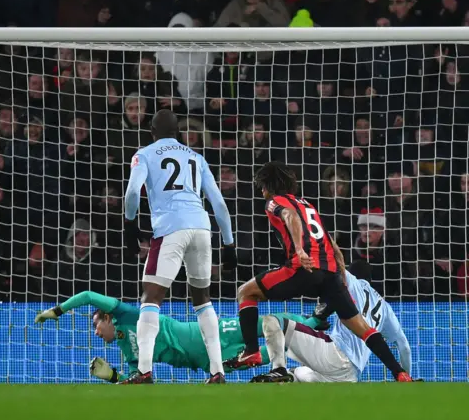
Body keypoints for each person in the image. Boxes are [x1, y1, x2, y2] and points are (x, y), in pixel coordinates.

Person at [225, 161, 413, 382]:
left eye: (262, 186)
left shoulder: (274, 202)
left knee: (246, 292)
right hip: (330, 270)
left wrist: (298, 250)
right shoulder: (307, 205)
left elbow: (290, 217)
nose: (262, 191)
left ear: (269, 185)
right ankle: (399, 373)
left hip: (303, 267)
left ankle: (252, 351)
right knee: (362, 327)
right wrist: (340, 273)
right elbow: (330, 242)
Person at [123, 109, 236, 384]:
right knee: (203, 300)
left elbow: (132, 191)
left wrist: (130, 226)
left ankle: (145, 370)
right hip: (202, 228)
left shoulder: (145, 154)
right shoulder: (197, 158)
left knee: (150, 298)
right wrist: (229, 243)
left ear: (151, 131)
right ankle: (217, 371)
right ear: (178, 133)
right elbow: (219, 203)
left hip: (170, 229)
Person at [34, 291, 328, 382]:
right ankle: (310, 347)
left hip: (203, 334)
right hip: (206, 361)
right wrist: (112, 376)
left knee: (264, 323)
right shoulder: (129, 353)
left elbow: (87, 295)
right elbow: (145, 383)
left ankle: (314, 320)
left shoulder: (129, 315)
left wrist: (57, 311)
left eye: (97, 325)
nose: (96, 333)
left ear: (108, 317)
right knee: (260, 355)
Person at [253, 261, 413, 383]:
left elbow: (336, 269)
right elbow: (404, 346)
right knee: (299, 374)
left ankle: (278, 369)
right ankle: (289, 375)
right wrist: (405, 374)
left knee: (273, 322)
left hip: (335, 355)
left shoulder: (352, 281)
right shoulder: (386, 309)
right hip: (350, 376)